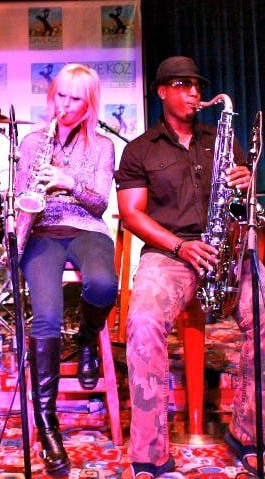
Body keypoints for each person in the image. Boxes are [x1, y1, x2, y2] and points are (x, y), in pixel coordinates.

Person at [115, 56, 261, 477]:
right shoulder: (139, 149)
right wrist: (180, 246)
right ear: (162, 91)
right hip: (169, 252)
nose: (194, 93)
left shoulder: (221, 138)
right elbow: (132, 215)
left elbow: (238, 206)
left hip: (226, 248)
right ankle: (150, 454)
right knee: (142, 322)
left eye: (197, 85)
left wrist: (246, 184)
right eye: (182, 85)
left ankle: (248, 433)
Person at [14, 63, 117, 475]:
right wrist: (28, 201)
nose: (67, 105)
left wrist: (68, 180)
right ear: (52, 96)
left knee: (103, 285)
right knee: (47, 320)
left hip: (86, 226)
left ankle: (88, 339)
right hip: (42, 231)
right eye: (61, 96)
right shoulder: (33, 141)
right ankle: (47, 424)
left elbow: (99, 203)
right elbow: (22, 195)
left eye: (76, 98)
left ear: (89, 103)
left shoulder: (103, 146)